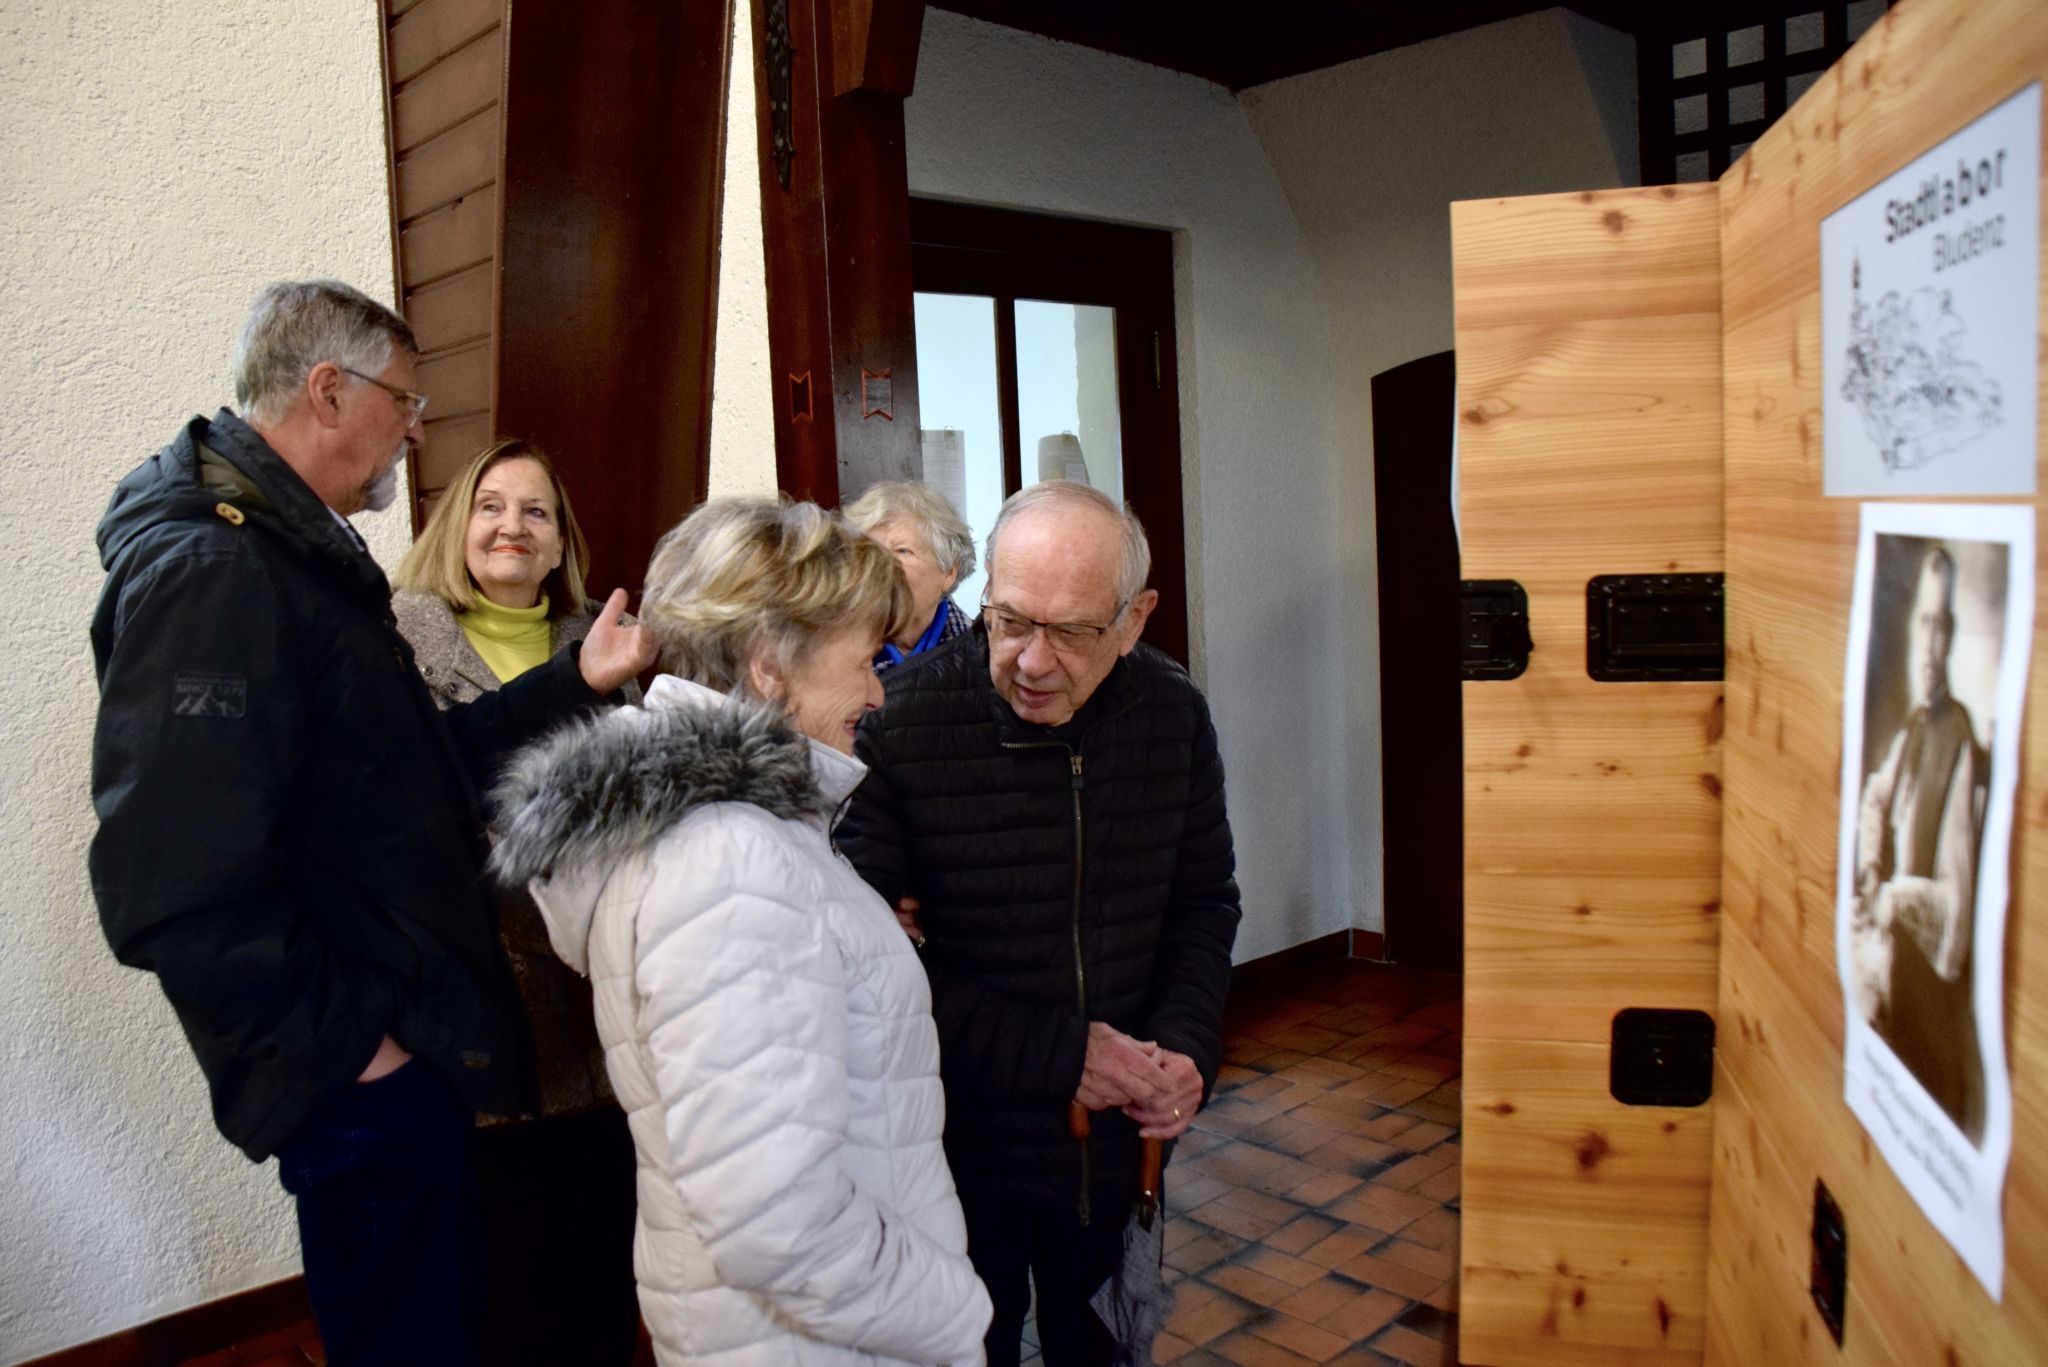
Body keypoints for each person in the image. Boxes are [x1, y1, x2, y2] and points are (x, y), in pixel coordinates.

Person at [88, 280, 656, 1365]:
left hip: (402, 1067)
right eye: (405, 398)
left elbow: (419, 775)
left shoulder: (300, 558)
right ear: (329, 391)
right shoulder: (218, 569)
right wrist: (356, 1056)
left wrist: (568, 682)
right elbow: (166, 879)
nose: (416, 425)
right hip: (365, 1079)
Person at [488, 498, 993, 1365]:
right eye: (864, 658)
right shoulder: (727, 855)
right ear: (769, 666)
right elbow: (777, 1224)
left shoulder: (730, 831)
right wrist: (956, 1311)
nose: (878, 689)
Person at [835, 480, 1242, 1366]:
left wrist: (1184, 1047)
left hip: (1111, 1151)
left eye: (1072, 631)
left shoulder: (1172, 716)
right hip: (952, 1150)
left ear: (1135, 620)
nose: (1030, 660)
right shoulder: (901, 725)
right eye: (1011, 620)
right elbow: (868, 967)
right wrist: (1064, 1052)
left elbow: (1203, 903)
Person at [391, 437, 641, 1364]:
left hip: (594, 1009)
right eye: (491, 504)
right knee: (494, 1279)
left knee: (597, 1268)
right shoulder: (397, 639)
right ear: (457, 522)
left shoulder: (600, 641)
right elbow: (425, 798)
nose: (512, 526)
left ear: (560, 539)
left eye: (537, 511)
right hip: (472, 1008)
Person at [1853, 545, 1988, 1142]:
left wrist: (1896, 899)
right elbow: (1876, 797)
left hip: (1930, 1019)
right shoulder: (1912, 727)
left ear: (1953, 637)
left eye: (1942, 627)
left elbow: (1956, 930)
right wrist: (1871, 864)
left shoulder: (1961, 742)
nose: (1930, 646)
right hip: (1896, 995)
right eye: (1923, 626)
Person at [841, 479, 976, 673]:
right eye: (871, 551)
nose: (881, 564)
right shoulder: (829, 654)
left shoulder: (981, 657)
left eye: (902, 551)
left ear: (949, 572)